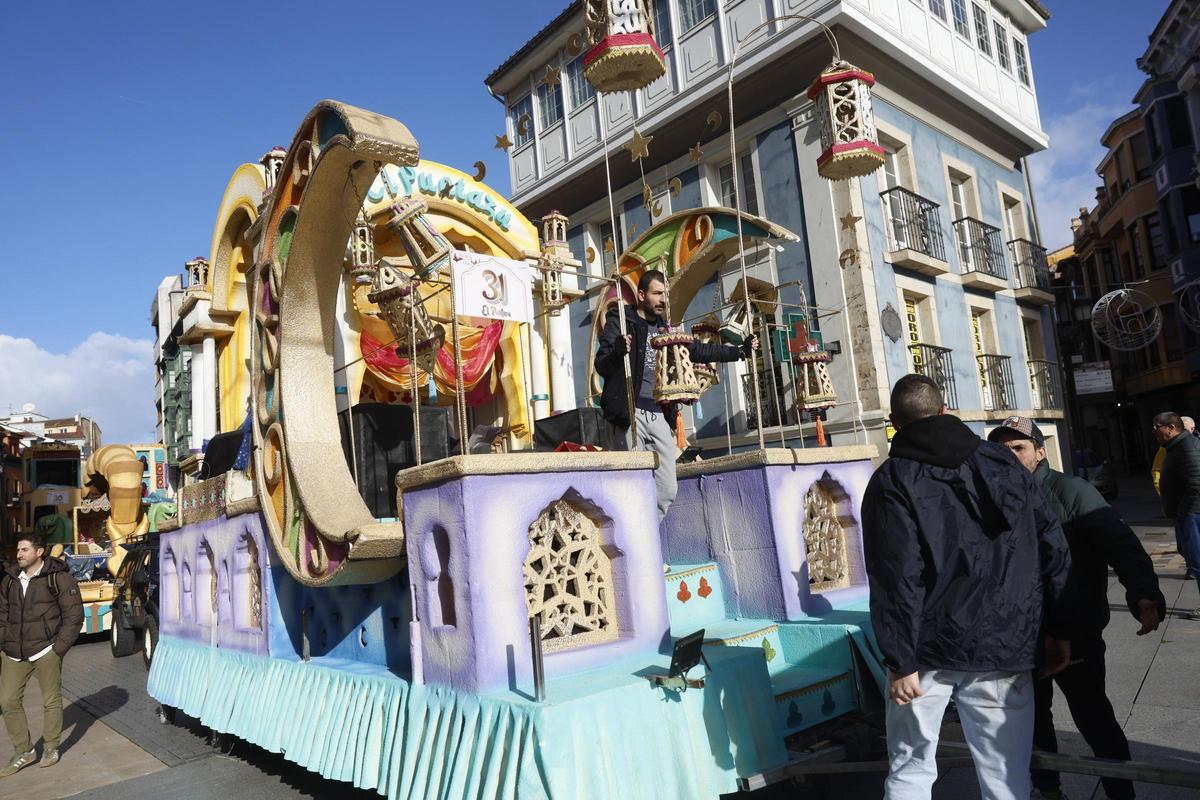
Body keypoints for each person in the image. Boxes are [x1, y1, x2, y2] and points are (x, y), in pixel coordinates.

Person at [862, 375, 1072, 800]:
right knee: (1006, 778)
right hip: (1004, 639)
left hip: (925, 650)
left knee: (910, 770)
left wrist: (899, 660)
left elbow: (895, 575)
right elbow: (1053, 544)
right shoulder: (1005, 463)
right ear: (944, 410)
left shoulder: (891, 479)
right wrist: (1061, 628)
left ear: (893, 422)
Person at [989, 416, 1165, 800]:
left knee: (1094, 717)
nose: (1009, 456)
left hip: (1077, 631)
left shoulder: (1072, 492)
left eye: (1018, 447)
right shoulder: (990, 498)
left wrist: (1143, 594)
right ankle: (1048, 789)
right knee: (1031, 721)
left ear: (1039, 451)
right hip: (1021, 636)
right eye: (1000, 450)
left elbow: (1121, 546)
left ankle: (1121, 791)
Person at [595, 269, 757, 521]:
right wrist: (617, 351)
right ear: (641, 295)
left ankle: (649, 535)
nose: (663, 300)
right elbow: (601, 364)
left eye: (665, 294)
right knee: (633, 485)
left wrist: (739, 352)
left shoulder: (665, 329)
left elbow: (698, 352)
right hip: (629, 413)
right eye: (657, 293)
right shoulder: (621, 321)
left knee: (667, 489)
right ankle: (636, 544)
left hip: (659, 414)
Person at [0, 531, 83, 776]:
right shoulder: (10, 579)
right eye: (18, 550)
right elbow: (2, 614)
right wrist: (3, 642)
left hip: (46, 649)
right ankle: (24, 751)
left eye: (24, 550)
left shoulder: (59, 578)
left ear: (39, 552)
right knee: (7, 700)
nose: (19, 555)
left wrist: (58, 649)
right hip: (14, 651)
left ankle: (50, 747)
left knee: (51, 700)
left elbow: (74, 616)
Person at [1154, 411, 1200, 619]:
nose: (1154, 431)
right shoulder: (1175, 447)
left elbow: (1197, 482)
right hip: (1186, 515)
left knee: (1197, 560)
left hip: (1192, 515)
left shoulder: (1186, 447)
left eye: (1157, 426)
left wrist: (1183, 511)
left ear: (1171, 428)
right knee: (1191, 556)